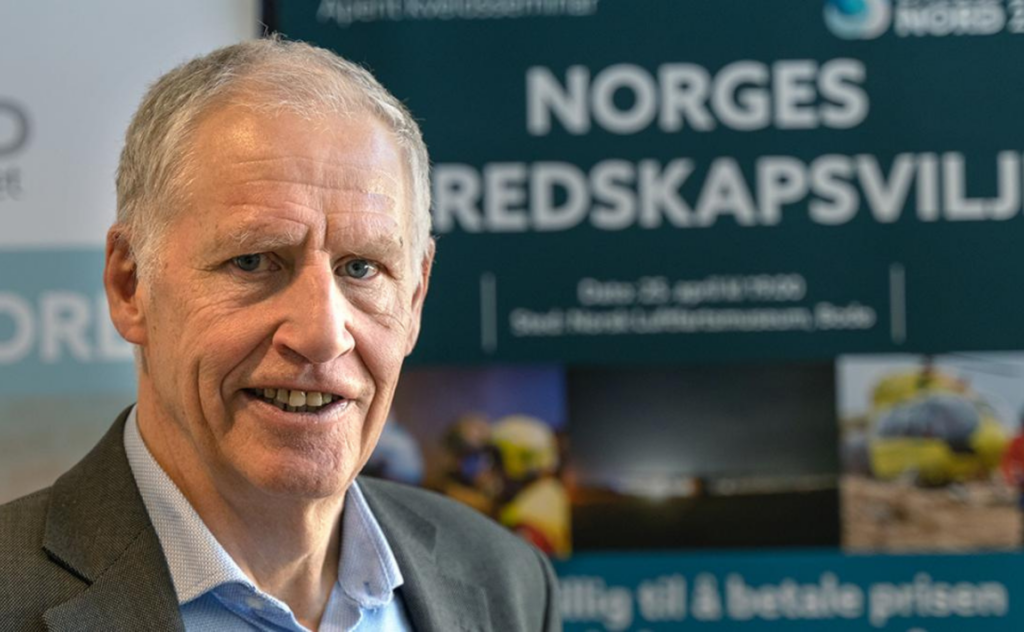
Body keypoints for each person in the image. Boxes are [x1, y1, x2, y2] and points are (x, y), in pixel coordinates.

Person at [0, 38, 560, 631]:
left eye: (361, 268)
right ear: (130, 284)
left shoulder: (507, 583)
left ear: (415, 297)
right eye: (253, 261)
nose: (322, 335)